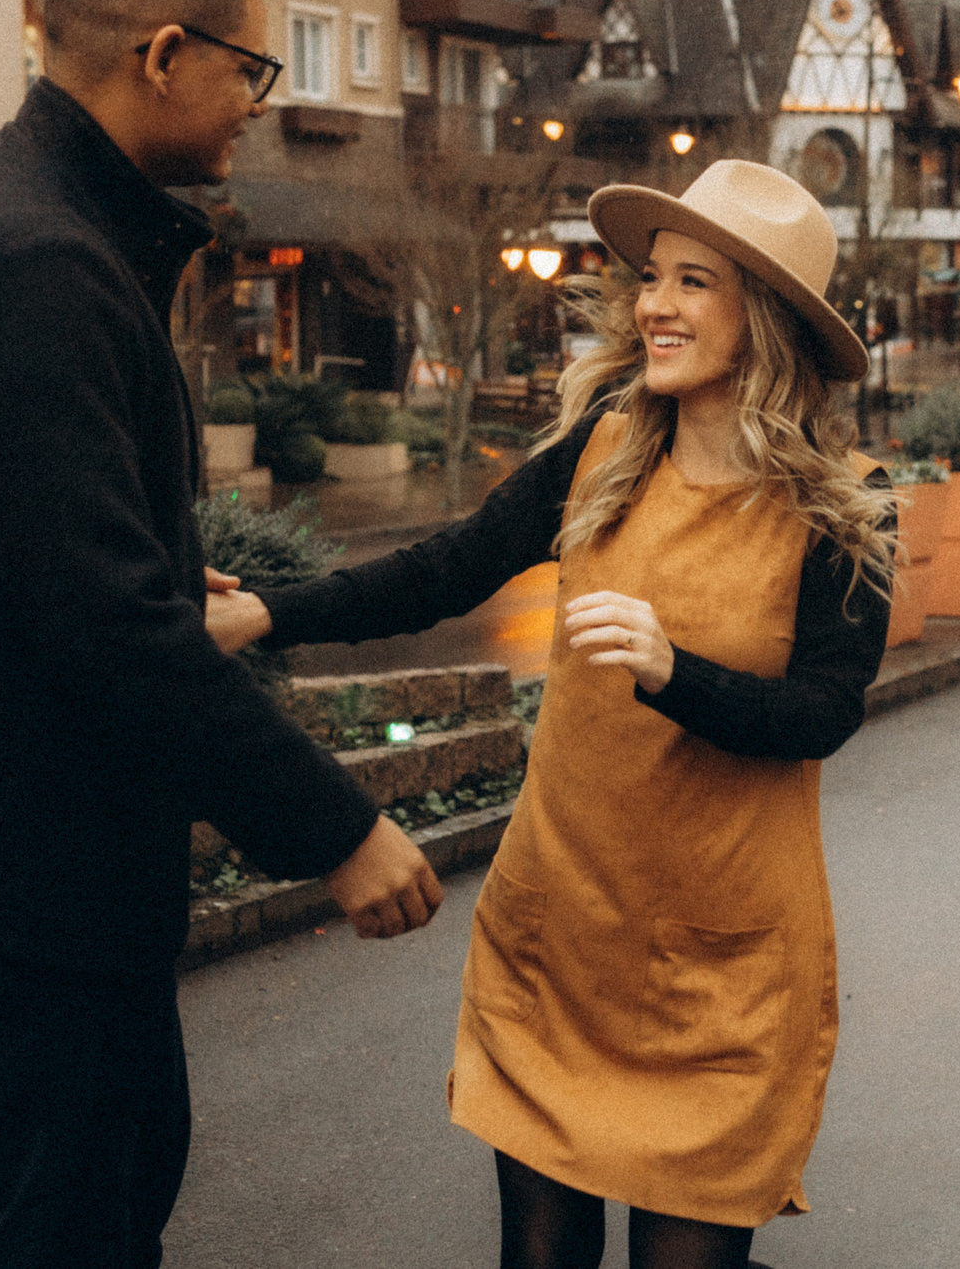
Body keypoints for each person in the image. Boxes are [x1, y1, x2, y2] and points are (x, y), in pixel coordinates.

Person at [0, 0, 442, 1269]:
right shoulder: (38, 255)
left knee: (116, 1165)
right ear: (159, 53)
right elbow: (103, 624)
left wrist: (113, 537)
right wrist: (335, 827)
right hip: (24, 834)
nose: (258, 99)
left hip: (8, 815)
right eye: (249, 66)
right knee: (74, 1214)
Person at [212, 160, 896, 1269]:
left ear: (763, 317)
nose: (655, 306)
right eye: (653, 279)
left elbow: (822, 712)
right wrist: (265, 616)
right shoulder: (601, 455)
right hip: (561, 938)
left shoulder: (844, 507)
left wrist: (677, 672)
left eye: (695, 284)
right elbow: (444, 571)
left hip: (719, 976)